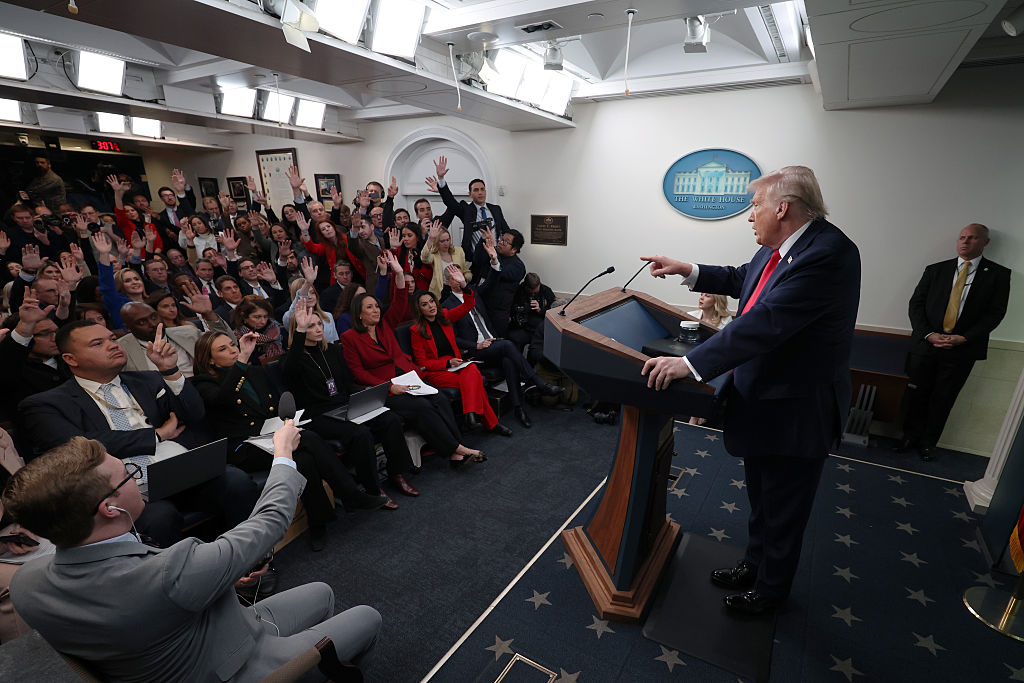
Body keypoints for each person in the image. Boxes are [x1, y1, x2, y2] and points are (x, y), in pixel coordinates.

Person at [640, 166, 861, 616]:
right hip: (763, 400)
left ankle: (771, 591)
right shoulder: (779, 248)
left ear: (783, 208)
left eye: (755, 205)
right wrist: (691, 269)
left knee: (785, 506)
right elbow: (746, 278)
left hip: (798, 408)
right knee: (763, 498)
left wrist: (689, 363)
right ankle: (755, 564)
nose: (749, 216)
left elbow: (767, 321)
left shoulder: (830, 253)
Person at [2, 427, 381, 680]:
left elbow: (151, 604)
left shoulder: (26, 583)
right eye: (130, 473)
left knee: (322, 591)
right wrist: (282, 453)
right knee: (368, 615)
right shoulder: (174, 571)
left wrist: (218, 579)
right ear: (110, 508)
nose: (137, 475)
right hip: (231, 668)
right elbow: (268, 521)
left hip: (184, 643)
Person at [17, 320, 259, 547]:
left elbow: (194, 414)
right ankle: (181, 586)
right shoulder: (45, 404)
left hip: (179, 471)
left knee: (235, 481)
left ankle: (252, 562)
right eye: (98, 343)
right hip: (126, 488)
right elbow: (79, 448)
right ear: (71, 358)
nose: (112, 345)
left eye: (112, 338)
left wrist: (171, 371)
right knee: (159, 517)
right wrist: (157, 435)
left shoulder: (148, 380)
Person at [191, 331, 387, 550]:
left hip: (271, 433)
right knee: (307, 438)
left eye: (231, 344)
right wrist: (242, 362)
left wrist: (279, 425)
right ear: (209, 360)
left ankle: (318, 521)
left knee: (303, 460)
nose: (232, 349)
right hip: (244, 446)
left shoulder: (254, 372)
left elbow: (274, 402)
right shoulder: (204, 383)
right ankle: (350, 494)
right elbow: (223, 398)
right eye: (222, 349)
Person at [283, 303, 421, 507]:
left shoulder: (332, 351)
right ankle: (373, 489)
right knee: (360, 434)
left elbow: (347, 384)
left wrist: (366, 395)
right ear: (299, 331)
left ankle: (396, 473)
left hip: (345, 405)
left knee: (389, 418)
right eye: (311, 326)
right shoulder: (293, 358)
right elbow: (290, 369)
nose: (319, 329)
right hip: (318, 415)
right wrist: (301, 330)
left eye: (319, 324)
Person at [897, 223, 1011, 461]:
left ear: (985, 242)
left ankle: (928, 443)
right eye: (962, 237)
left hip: (962, 349)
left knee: (944, 398)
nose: (965, 242)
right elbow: (916, 305)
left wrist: (965, 337)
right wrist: (928, 334)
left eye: (972, 238)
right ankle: (908, 436)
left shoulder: (998, 275)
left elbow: (995, 313)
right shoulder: (935, 270)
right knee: (916, 394)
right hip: (927, 345)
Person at [341, 285, 486, 466]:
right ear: (359, 313)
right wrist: (388, 386)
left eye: (377, 306)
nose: (376, 310)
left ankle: (457, 450)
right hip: (385, 388)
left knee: (439, 398)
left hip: (408, 376)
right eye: (369, 307)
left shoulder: (384, 326)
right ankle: (457, 450)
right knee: (422, 407)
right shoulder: (349, 337)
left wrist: (399, 276)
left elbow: (400, 303)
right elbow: (358, 372)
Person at [442, 267, 562, 428]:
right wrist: (476, 344)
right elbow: (454, 338)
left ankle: (519, 409)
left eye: (460, 275)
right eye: (454, 277)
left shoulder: (473, 293)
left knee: (508, 361)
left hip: (491, 342)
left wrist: (493, 262)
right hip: (474, 351)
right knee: (507, 344)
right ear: (448, 282)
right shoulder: (446, 305)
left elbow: (490, 290)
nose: (458, 279)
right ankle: (538, 382)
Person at [410, 268, 512, 436]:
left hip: (457, 364)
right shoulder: (416, 330)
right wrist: (447, 363)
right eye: (425, 304)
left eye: (432, 301)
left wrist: (464, 286)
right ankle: (488, 422)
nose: (431, 306)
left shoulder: (445, 316)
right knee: (475, 379)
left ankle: (470, 416)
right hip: (438, 371)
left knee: (472, 370)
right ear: (419, 309)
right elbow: (422, 363)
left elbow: (469, 304)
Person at [428, 156, 510, 258]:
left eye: (482, 189)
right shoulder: (466, 210)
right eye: (476, 190)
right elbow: (450, 202)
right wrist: (441, 179)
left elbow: (507, 231)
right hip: (476, 258)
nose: (480, 192)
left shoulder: (496, 209)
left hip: (497, 254)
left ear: (485, 191)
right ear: (470, 194)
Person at [474, 228, 526, 336]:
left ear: (514, 250)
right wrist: (482, 240)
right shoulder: (493, 253)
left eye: (506, 242)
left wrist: (494, 253)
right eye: (501, 239)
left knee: (495, 343)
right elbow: (477, 260)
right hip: (479, 303)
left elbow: (500, 271)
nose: (501, 242)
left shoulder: (518, 266)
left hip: (497, 313)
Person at [421, 221, 471, 299]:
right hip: (441, 291)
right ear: (436, 242)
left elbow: (465, 270)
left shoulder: (458, 251)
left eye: (448, 240)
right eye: (442, 241)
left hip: (458, 288)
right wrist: (430, 239)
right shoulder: (434, 254)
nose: (446, 243)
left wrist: (463, 279)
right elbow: (424, 258)